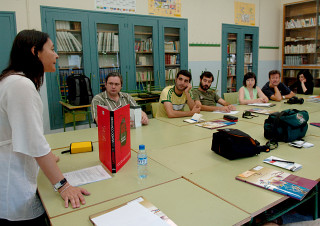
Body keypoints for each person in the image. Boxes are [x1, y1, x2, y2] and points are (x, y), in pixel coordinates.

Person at [0, 30, 90, 224]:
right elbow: (34, 141)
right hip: (13, 186)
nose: (56, 55)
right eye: (52, 49)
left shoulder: (12, 80)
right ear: (35, 52)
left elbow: (24, 133)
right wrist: (64, 186)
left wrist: (48, 156)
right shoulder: (20, 85)